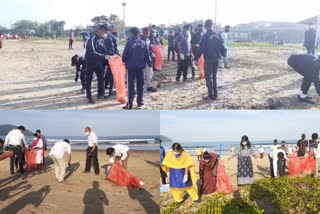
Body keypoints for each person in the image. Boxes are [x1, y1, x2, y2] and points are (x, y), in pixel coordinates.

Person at [195, 19, 226, 101]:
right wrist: (223, 55)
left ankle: (210, 95)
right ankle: (215, 94)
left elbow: (200, 49)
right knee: (214, 76)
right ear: (212, 25)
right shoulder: (217, 34)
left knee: (208, 77)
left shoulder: (204, 36)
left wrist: (195, 58)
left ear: (205, 26)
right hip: (216, 58)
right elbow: (221, 46)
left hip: (208, 59)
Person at [122, 27, 152, 110]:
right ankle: (140, 103)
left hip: (131, 67)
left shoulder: (129, 43)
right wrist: (150, 64)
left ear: (131, 33)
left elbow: (124, 57)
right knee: (140, 85)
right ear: (139, 33)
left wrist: (125, 60)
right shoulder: (143, 42)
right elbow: (147, 55)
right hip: (140, 67)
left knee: (131, 86)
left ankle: (130, 104)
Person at [85, 24, 110, 104]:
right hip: (90, 62)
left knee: (101, 78)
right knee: (89, 79)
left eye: (106, 32)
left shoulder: (102, 39)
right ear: (101, 30)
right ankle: (89, 97)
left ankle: (100, 94)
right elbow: (93, 52)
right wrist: (104, 56)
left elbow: (104, 50)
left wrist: (112, 55)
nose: (105, 34)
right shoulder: (92, 39)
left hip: (99, 62)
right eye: (105, 32)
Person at [141, 27, 157, 92]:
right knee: (142, 74)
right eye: (145, 32)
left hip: (148, 59)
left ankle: (149, 86)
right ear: (143, 32)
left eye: (148, 32)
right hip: (142, 60)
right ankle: (141, 87)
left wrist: (152, 53)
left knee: (150, 73)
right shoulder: (140, 40)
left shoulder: (148, 40)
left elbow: (149, 49)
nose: (146, 33)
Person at [104, 29, 119, 97]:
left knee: (108, 73)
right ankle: (110, 90)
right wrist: (117, 55)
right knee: (112, 74)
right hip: (111, 57)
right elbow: (114, 48)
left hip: (105, 57)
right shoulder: (112, 38)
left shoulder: (105, 37)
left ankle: (105, 86)